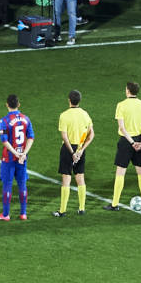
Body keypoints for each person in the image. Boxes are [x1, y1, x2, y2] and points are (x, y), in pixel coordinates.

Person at [108, 81, 141, 210]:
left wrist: (131, 142)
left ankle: (115, 204)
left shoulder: (121, 105)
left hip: (127, 141)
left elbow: (122, 126)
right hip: (139, 140)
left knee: (120, 172)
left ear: (127, 91)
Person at [55, 88, 94, 216]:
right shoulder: (85, 114)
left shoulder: (64, 115)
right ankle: (81, 208)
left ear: (69, 100)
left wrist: (72, 152)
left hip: (68, 149)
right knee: (80, 177)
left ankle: (62, 211)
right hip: (80, 148)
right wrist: (81, 150)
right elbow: (91, 134)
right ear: (79, 101)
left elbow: (64, 137)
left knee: (66, 179)